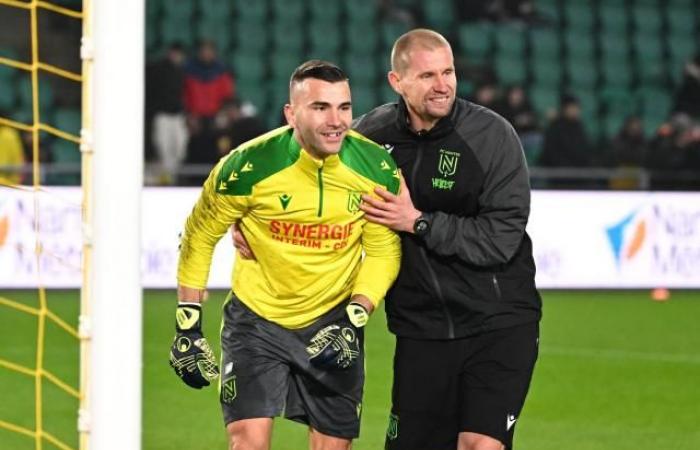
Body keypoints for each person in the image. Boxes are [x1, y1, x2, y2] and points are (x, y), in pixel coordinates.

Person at [170, 60, 401, 450]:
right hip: (257, 321)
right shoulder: (247, 166)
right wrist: (187, 324)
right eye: (320, 107)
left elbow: (382, 252)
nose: (336, 121)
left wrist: (354, 317)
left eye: (344, 107)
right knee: (248, 443)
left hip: (334, 322)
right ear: (291, 114)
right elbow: (199, 235)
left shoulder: (376, 168)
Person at [354, 29, 541, 450]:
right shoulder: (369, 137)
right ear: (396, 82)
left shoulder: (492, 137)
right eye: (426, 76)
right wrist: (253, 222)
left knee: (480, 445)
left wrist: (417, 222)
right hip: (421, 330)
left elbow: (500, 237)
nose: (443, 85)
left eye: (449, 72)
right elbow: (314, 183)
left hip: (498, 321)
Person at [145, 42, 188, 185]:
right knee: (163, 149)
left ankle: (171, 178)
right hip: (162, 115)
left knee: (179, 149)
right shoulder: (159, 70)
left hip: (178, 117)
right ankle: (166, 180)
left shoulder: (183, 72)